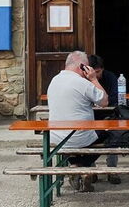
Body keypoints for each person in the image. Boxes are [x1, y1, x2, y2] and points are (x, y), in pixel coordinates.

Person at [47, 50, 108, 192]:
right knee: (109, 135)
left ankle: (75, 166)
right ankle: (81, 167)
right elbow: (104, 101)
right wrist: (93, 79)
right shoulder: (82, 83)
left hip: (56, 137)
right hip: (79, 137)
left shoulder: (54, 80)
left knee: (77, 140)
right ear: (82, 67)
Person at [86, 54, 122, 185]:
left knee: (113, 137)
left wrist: (102, 103)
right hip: (90, 117)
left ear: (102, 69)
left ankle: (112, 170)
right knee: (87, 139)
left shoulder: (110, 77)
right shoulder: (84, 80)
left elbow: (115, 98)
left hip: (108, 115)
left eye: (98, 72)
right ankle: (91, 171)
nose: (96, 75)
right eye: (94, 72)